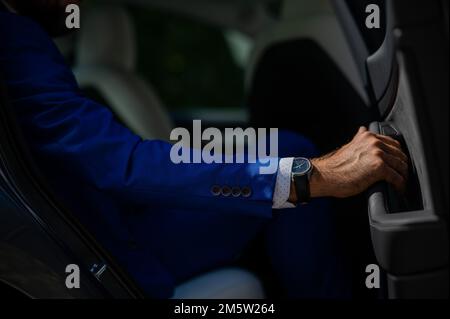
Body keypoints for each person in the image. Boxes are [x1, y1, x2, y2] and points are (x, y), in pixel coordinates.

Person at [0, 0, 409, 298]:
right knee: (295, 161)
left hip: (119, 221)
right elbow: (125, 166)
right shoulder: (11, 35)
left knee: (289, 146)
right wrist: (313, 178)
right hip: (111, 251)